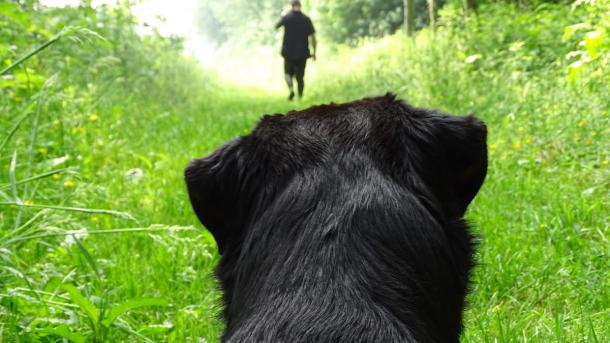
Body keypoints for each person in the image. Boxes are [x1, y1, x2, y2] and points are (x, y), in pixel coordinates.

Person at [275, 1, 316, 100]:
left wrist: (283, 16)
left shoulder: (287, 17)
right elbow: (313, 37)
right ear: (300, 6)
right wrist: (314, 52)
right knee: (300, 76)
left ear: (291, 6)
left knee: (287, 73)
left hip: (288, 53)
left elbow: (275, 26)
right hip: (303, 53)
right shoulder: (306, 19)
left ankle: (291, 90)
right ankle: (300, 97)